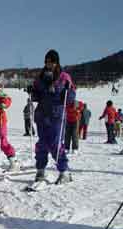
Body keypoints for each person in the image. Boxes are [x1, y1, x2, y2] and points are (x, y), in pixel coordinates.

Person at [29, 49, 76, 184]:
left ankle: (64, 171)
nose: (49, 65)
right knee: (42, 144)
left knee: (55, 144)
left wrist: (67, 93)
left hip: (56, 114)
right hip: (42, 114)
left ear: (57, 62)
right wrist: (32, 92)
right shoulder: (40, 77)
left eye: (52, 62)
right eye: (47, 62)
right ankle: (40, 170)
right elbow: (36, 95)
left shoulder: (64, 77)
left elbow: (71, 96)